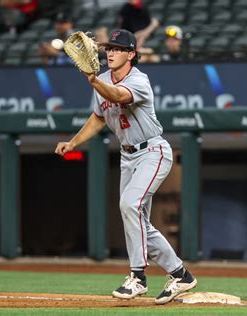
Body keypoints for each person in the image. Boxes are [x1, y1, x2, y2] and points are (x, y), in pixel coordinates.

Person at [54, 29, 197, 305]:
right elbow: (98, 118)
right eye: (109, 48)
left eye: (118, 49)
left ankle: (138, 278)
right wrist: (73, 143)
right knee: (137, 219)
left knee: (129, 205)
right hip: (128, 156)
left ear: (131, 54)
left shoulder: (139, 80)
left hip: (152, 151)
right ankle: (180, 274)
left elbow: (119, 97)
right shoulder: (103, 79)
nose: (110, 52)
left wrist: (94, 81)